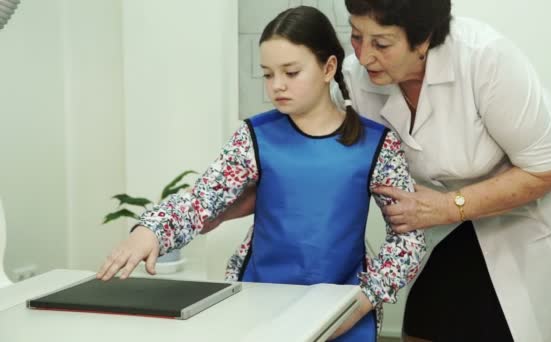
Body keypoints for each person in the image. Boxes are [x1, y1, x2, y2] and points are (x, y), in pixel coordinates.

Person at [219, 1, 551, 341]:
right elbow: (337, 148)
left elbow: (546, 170)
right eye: (355, 36)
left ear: (423, 41)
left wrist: (450, 206)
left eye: (382, 44)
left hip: (533, 210)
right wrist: (272, 188)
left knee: (502, 323)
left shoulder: (484, 58)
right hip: (449, 215)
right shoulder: (357, 77)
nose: (364, 56)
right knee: (427, 317)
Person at [96, 6, 426, 342]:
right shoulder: (254, 136)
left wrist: (364, 298)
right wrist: (150, 231)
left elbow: (408, 239)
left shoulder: (378, 144)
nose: (277, 86)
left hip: (346, 308)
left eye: (291, 72)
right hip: (259, 301)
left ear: (329, 68)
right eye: (268, 74)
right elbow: (201, 202)